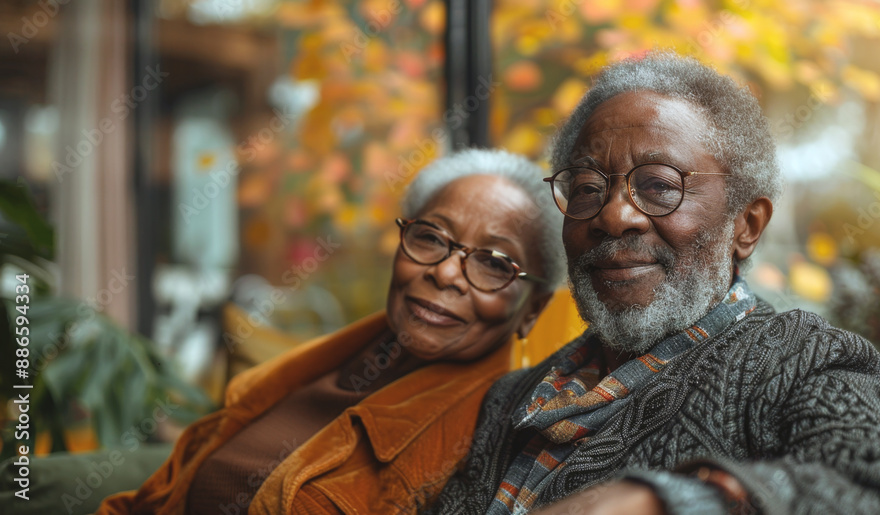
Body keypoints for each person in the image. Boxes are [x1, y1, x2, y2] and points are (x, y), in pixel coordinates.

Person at [428, 53, 880, 514]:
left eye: (660, 186)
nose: (614, 216)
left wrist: (667, 500)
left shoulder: (798, 358)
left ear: (746, 225)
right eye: (588, 187)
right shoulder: (511, 399)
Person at [95, 148, 566, 514]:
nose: (445, 273)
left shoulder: (486, 447)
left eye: (493, 263)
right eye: (431, 237)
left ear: (532, 309)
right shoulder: (321, 367)